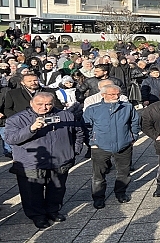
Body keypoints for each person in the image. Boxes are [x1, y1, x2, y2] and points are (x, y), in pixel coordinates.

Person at [5, 92, 84, 229]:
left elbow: (78, 132)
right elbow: (11, 139)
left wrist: (74, 150)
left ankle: (53, 211)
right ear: (31, 104)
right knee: (32, 191)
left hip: (60, 159)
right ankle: (37, 215)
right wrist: (31, 129)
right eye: (40, 104)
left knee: (57, 189)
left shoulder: (65, 115)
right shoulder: (16, 119)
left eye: (48, 104)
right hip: (31, 162)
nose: (44, 107)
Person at [83, 85, 140, 209]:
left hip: (124, 145)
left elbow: (135, 122)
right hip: (100, 146)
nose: (116, 97)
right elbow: (86, 127)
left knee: (124, 172)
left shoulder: (127, 107)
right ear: (103, 95)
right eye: (112, 94)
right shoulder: (93, 109)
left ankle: (120, 193)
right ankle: (98, 197)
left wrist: (133, 137)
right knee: (98, 174)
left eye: (118, 94)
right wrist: (91, 143)